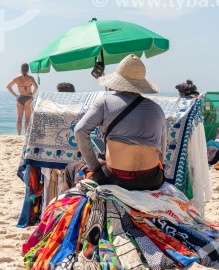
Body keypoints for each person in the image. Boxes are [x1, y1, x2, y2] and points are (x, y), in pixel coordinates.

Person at [64, 54, 166, 191]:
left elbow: (80, 130)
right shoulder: (157, 109)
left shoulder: (105, 102)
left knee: (71, 169)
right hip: (152, 178)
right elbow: (161, 151)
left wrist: (94, 166)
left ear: (117, 81)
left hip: (116, 178)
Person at [7, 63, 38, 135]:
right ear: (28, 69)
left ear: (21, 69)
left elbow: (8, 86)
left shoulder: (17, 78)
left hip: (20, 98)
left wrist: (15, 95)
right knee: (27, 118)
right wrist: (32, 95)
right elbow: (36, 87)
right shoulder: (30, 78)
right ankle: (27, 135)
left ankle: (19, 134)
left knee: (19, 118)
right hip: (28, 98)